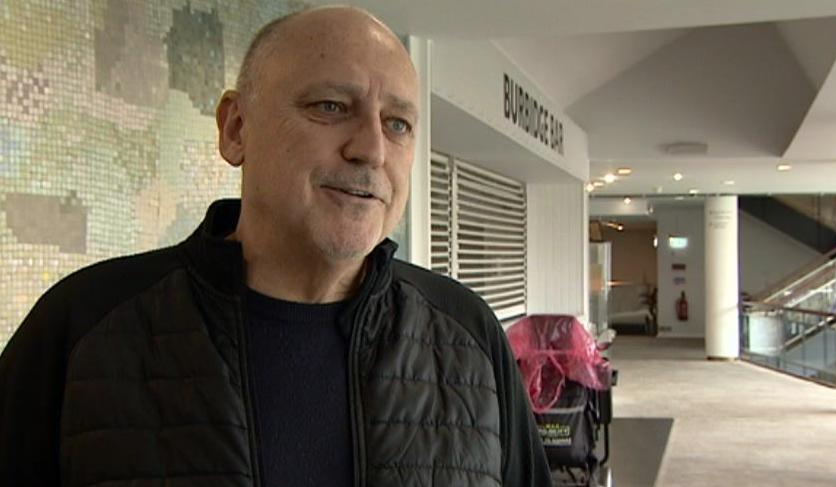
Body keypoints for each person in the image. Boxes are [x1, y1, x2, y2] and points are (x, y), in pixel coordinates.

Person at [0, 6, 552, 487]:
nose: (371, 150)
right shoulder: (84, 326)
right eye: (331, 106)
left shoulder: (469, 335)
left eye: (398, 124)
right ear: (236, 129)